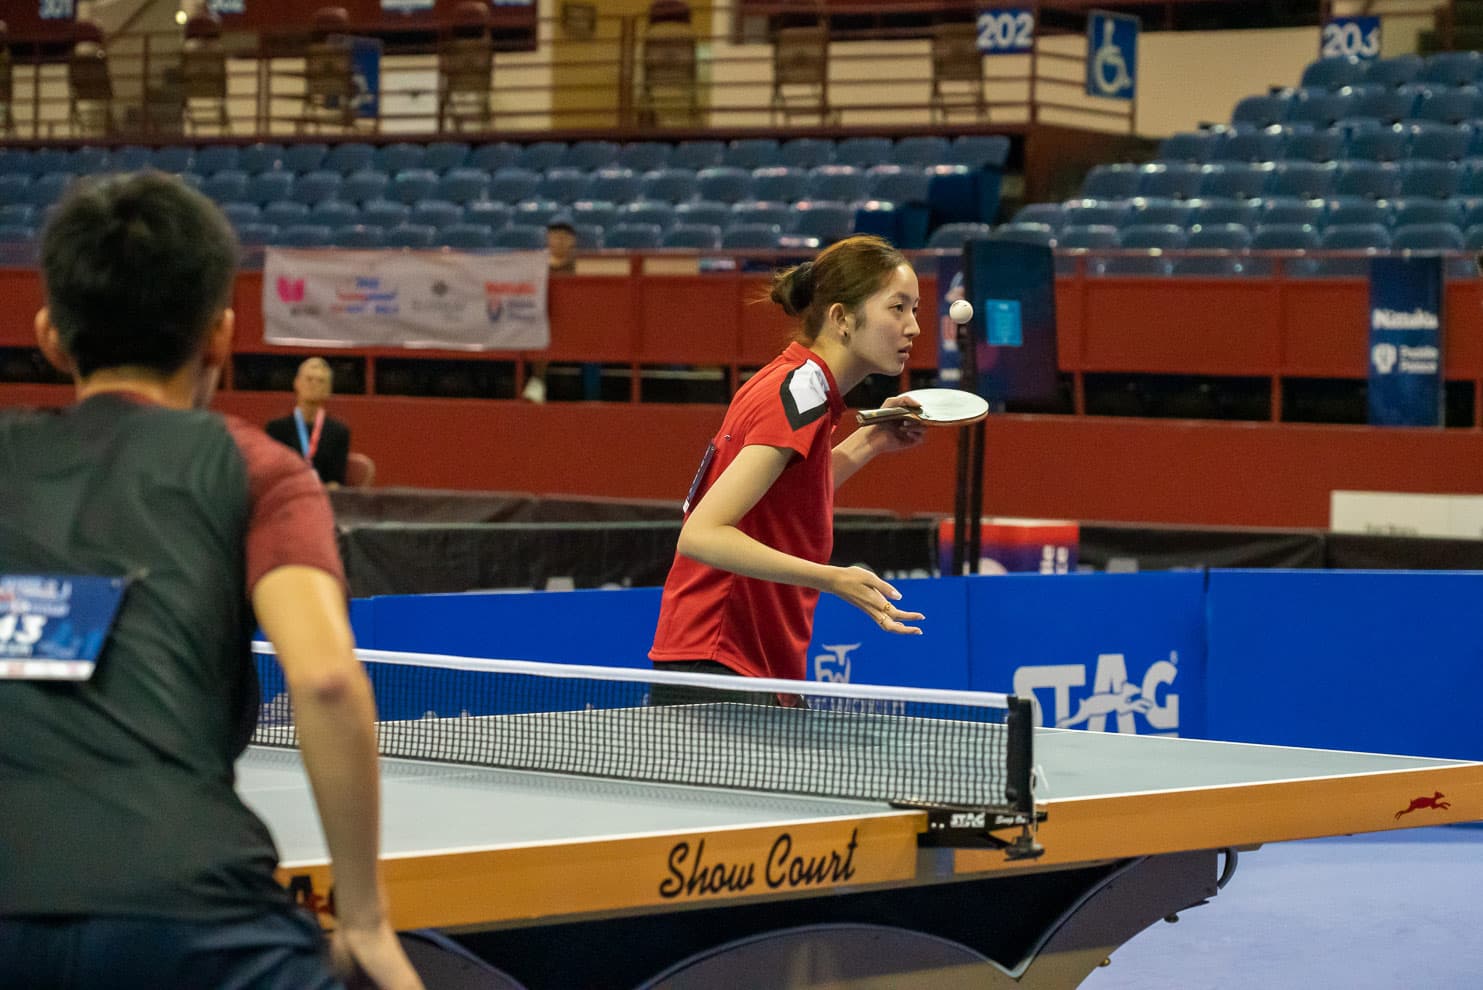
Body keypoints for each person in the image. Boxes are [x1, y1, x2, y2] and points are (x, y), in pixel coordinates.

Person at [0, 171, 421, 990]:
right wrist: (364, 919)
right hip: (191, 917)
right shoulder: (258, 470)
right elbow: (329, 679)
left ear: (51, 336)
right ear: (222, 335)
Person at [649, 234, 928, 694]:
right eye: (898, 308)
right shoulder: (798, 396)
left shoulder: (804, 386)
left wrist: (870, 441)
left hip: (738, 661)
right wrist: (833, 579)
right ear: (841, 318)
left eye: (915, 309)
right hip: (718, 663)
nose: (914, 326)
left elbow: (787, 496)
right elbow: (701, 533)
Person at [522, 216, 580, 404]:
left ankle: (538, 382)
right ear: (548, 238)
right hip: (545, 320)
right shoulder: (536, 266)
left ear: (573, 240)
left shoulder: (582, 265)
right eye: (555, 235)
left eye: (565, 236)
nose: (560, 240)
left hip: (576, 321)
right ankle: (538, 381)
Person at [267, 356, 352, 486]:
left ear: (329, 390)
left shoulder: (339, 432)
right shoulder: (276, 429)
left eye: (321, 381)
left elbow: (336, 482)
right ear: (296, 383)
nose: (313, 384)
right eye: (309, 379)